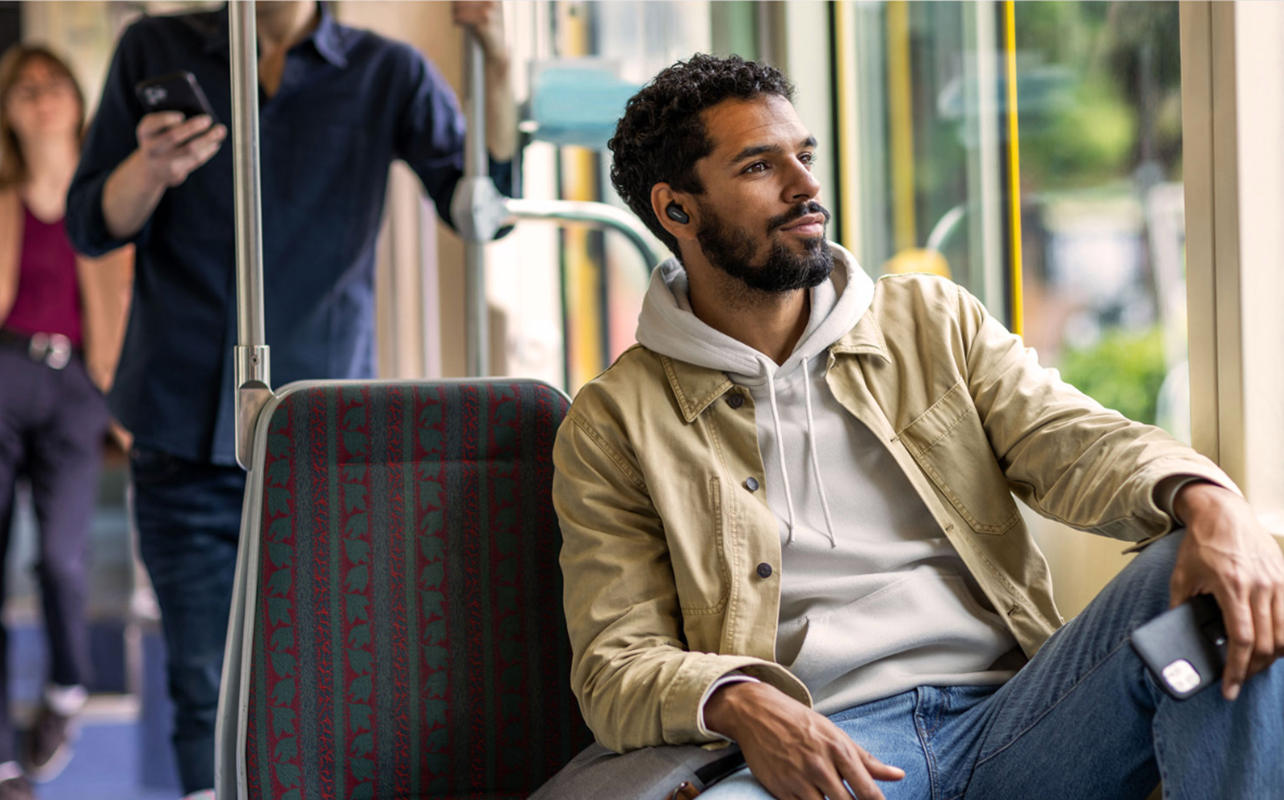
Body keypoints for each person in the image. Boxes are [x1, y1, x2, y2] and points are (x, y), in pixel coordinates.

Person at [550, 54, 1284, 800]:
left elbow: (1077, 443)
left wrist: (1210, 501)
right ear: (677, 210)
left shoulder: (931, 321)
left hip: (1020, 718)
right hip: (828, 753)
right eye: (758, 167)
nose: (805, 186)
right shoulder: (615, 423)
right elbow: (617, 662)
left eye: (804, 156)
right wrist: (741, 702)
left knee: (1214, 580)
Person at [64, 3, 514, 796]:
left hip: (316, 437)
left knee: (324, 683)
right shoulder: (155, 47)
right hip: (179, 420)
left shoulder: (387, 71)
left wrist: (500, 62)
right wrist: (153, 170)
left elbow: (481, 210)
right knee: (203, 687)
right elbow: (93, 224)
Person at [0, 45, 132, 800]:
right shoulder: (3, 197)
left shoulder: (109, 198)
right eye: (24, 89)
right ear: (9, 112)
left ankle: (67, 685)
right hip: (6, 371)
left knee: (60, 557)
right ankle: (4, 761)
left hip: (80, 385)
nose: (42, 99)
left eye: (54, 86)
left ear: (77, 105)